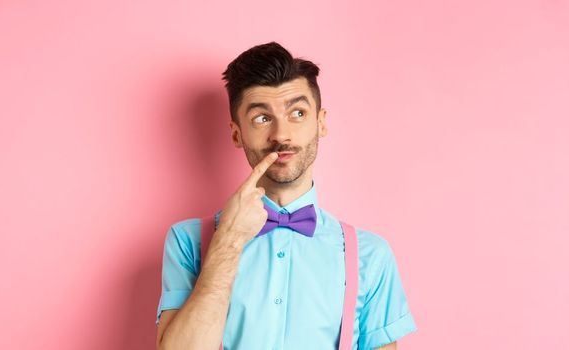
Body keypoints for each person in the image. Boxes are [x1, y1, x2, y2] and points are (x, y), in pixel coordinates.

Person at [155, 42, 417, 349]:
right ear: (237, 134)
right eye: (262, 118)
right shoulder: (187, 241)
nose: (281, 135)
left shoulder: (370, 255)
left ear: (320, 123)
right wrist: (228, 241)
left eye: (297, 113)